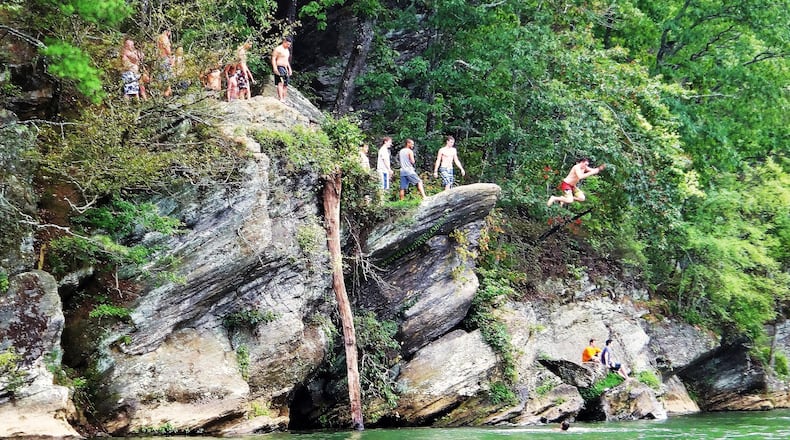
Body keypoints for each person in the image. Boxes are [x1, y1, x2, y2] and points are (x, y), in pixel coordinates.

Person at [271, 36, 293, 102]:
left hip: (285, 67)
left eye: (289, 45)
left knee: (286, 84)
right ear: (284, 42)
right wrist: (275, 68)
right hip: (279, 66)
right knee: (281, 82)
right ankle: (280, 98)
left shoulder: (287, 50)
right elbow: (273, 58)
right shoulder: (278, 49)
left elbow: (286, 60)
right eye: (287, 44)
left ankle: (284, 98)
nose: (288, 46)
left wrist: (289, 69)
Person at [156, 30, 173, 97]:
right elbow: (167, 48)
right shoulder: (164, 38)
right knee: (166, 75)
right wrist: (170, 57)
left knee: (161, 76)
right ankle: (167, 91)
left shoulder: (158, 38)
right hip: (164, 58)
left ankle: (167, 92)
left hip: (159, 58)